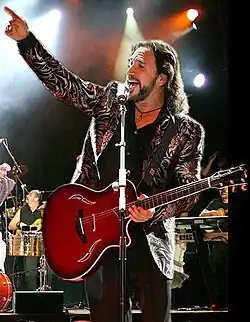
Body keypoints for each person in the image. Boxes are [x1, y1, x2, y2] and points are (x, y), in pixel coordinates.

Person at [4, 6, 205, 322]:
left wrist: (156, 210)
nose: (130, 70)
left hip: (150, 242)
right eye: (129, 63)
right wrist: (27, 41)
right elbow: (65, 84)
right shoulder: (111, 103)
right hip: (96, 238)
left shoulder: (185, 130)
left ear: (163, 78)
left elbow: (188, 189)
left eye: (139, 65)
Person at [8, 189, 50, 291]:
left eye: (30, 194)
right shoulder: (22, 210)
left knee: (48, 271)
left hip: (43, 244)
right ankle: (32, 294)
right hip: (29, 245)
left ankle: (47, 293)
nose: (27, 196)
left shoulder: (43, 211)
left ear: (36, 198)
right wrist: (19, 224)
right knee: (30, 272)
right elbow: (10, 226)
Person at [200, 186, 228, 308]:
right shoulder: (216, 203)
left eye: (225, 188)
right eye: (220, 188)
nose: (222, 190)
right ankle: (220, 301)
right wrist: (216, 212)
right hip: (219, 241)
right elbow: (202, 215)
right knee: (217, 267)